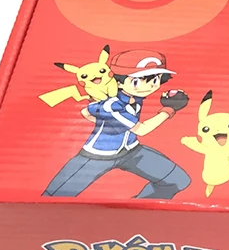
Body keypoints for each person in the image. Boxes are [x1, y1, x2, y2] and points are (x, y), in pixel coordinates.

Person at [43, 50, 191, 199]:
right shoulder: (111, 105)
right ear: (118, 81)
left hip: (131, 151)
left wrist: (107, 123)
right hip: (97, 156)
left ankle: (136, 208)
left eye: (155, 80)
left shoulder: (135, 97)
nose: (148, 87)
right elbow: (142, 129)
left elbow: (85, 113)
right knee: (54, 197)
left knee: (177, 180)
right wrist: (169, 109)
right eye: (136, 81)